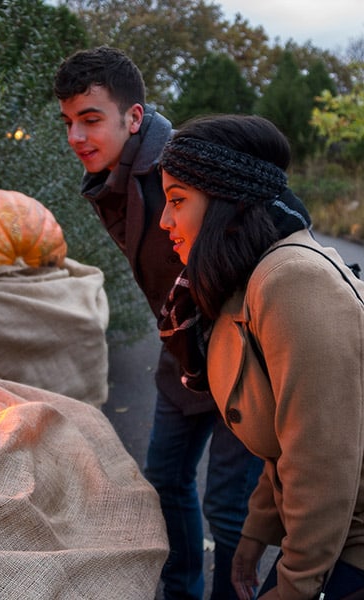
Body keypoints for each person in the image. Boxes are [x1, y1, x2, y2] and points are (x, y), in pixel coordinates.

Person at [54, 46, 264, 599]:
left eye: (91, 119)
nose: (76, 136)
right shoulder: (117, 176)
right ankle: (181, 592)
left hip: (236, 358)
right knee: (166, 481)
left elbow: (252, 250)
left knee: (227, 504)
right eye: (69, 122)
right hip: (181, 359)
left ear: (134, 117)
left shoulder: (185, 167)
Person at [157, 113, 364, 599]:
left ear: (226, 203)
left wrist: (294, 588)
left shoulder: (290, 279)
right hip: (331, 532)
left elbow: (322, 460)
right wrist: (255, 534)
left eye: (178, 201)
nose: (166, 220)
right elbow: (284, 444)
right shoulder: (244, 279)